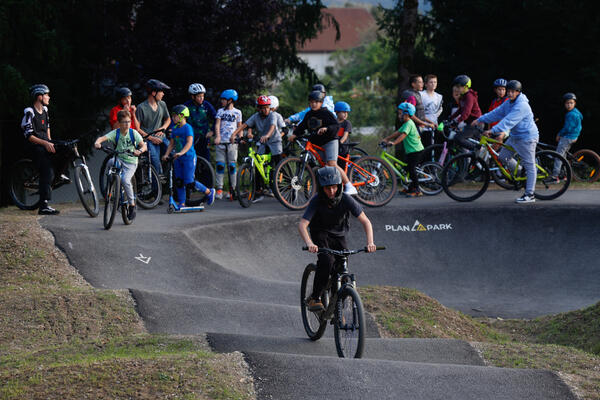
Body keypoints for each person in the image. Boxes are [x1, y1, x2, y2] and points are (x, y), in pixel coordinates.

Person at [298, 166, 376, 311]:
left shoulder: (346, 199)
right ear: (321, 188)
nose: (332, 191)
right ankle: (315, 297)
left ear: (339, 186)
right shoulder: (316, 200)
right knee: (327, 261)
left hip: (339, 235)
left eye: (334, 187)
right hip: (320, 233)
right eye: (327, 188)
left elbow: (366, 221)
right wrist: (309, 243)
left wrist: (370, 242)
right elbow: (302, 224)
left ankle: (337, 307)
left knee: (342, 271)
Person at [474, 80, 539, 203]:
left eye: (512, 91)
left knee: (530, 165)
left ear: (518, 92)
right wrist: (480, 119)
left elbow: (508, 121)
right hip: (515, 137)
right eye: (508, 91)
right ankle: (520, 172)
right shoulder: (509, 103)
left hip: (527, 137)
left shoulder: (522, 105)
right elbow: (496, 113)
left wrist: (492, 130)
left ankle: (530, 195)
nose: (509, 94)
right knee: (503, 157)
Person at [288, 91, 357, 195]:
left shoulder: (326, 113)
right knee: (323, 166)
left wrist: (326, 128)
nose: (314, 104)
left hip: (330, 141)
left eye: (316, 102)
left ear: (321, 103)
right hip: (317, 143)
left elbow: (336, 126)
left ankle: (349, 186)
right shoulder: (309, 114)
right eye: (311, 102)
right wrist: (294, 134)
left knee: (332, 164)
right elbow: (302, 126)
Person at [21, 84, 71, 215]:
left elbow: (47, 128)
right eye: (46, 95)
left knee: (66, 147)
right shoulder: (29, 112)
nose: (48, 97)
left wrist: (51, 142)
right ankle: (43, 206)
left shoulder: (45, 110)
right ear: (39, 97)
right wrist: (45, 143)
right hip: (34, 146)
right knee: (47, 171)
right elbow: (29, 135)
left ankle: (60, 174)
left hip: (44, 142)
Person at [94, 110, 147, 220]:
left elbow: (144, 146)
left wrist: (139, 151)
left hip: (131, 162)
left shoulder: (133, 133)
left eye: (128, 121)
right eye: (124, 122)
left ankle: (132, 205)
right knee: (109, 162)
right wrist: (97, 142)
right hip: (119, 159)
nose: (127, 124)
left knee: (125, 180)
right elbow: (102, 138)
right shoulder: (116, 133)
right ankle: (112, 184)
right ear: (119, 123)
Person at [161, 105, 215, 207]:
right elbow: (172, 144)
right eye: (172, 116)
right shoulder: (175, 129)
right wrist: (166, 154)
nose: (173, 118)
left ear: (182, 116)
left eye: (175, 116)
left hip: (188, 157)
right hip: (178, 159)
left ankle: (209, 192)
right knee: (179, 181)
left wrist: (181, 152)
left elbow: (189, 143)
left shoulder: (187, 128)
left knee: (189, 182)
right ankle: (182, 203)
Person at [231, 95, 282, 203]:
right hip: (263, 142)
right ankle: (258, 191)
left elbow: (273, 126)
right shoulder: (256, 116)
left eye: (267, 107)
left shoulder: (272, 115)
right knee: (258, 165)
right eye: (263, 107)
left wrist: (267, 135)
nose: (266, 110)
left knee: (278, 164)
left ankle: (282, 186)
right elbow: (244, 125)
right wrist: (233, 134)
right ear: (258, 108)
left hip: (274, 141)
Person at [381, 102, 425, 197]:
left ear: (406, 113)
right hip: (411, 151)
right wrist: (387, 139)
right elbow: (397, 133)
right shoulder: (406, 124)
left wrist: (394, 143)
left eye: (400, 113)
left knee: (411, 169)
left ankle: (417, 190)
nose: (398, 115)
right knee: (406, 168)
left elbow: (403, 135)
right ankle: (410, 188)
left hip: (417, 151)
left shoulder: (409, 123)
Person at [136, 79, 171, 175]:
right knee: (154, 159)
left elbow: (168, 119)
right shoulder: (141, 107)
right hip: (148, 140)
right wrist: (150, 138)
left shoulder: (162, 104)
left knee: (172, 153)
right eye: (161, 91)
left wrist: (163, 128)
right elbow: (137, 128)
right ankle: (156, 187)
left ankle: (170, 180)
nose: (163, 94)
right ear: (153, 93)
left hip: (161, 138)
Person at [214, 89, 242, 199]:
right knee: (220, 165)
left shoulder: (237, 112)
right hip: (221, 142)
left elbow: (240, 126)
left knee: (232, 166)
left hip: (232, 143)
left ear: (230, 100)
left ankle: (232, 190)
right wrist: (218, 136)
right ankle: (219, 189)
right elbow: (217, 125)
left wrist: (240, 138)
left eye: (224, 100)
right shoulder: (220, 111)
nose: (222, 101)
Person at [552, 92, 583, 179]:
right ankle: (564, 175)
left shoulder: (571, 114)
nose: (569, 105)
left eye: (571, 103)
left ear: (575, 103)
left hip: (568, 137)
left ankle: (555, 176)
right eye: (567, 103)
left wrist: (559, 134)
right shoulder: (577, 112)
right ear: (564, 104)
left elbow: (567, 128)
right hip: (574, 136)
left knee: (558, 155)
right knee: (563, 155)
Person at [184, 83, 217, 163]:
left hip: (204, 137)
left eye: (203, 96)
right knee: (191, 159)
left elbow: (217, 118)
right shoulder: (186, 106)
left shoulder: (206, 105)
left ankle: (206, 175)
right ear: (193, 96)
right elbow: (178, 119)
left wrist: (212, 131)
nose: (201, 98)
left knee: (206, 160)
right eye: (199, 96)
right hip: (190, 137)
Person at [449, 74, 483, 151]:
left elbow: (466, 113)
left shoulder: (469, 96)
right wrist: (450, 118)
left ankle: (477, 150)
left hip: (476, 123)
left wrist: (457, 121)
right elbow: (460, 110)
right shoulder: (463, 96)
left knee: (458, 138)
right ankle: (465, 160)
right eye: (456, 86)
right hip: (470, 123)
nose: (457, 89)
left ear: (465, 87)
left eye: (459, 87)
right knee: (461, 141)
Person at [420, 74, 443, 146]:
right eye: (431, 82)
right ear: (426, 84)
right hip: (423, 125)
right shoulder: (421, 95)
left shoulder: (439, 96)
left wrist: (435, 116)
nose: (433, 84)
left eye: (435, 82)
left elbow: (440, 109)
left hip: (434, 125)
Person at [333, 101, 353, 169]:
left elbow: (345, 135)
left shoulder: (347, 123)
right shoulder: (333, 123)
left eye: (347, 113)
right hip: (335, 148)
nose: (346, 114)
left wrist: (339, 143)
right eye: (344, 112)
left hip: (343, 149)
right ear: (337, 112)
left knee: (343, 166)